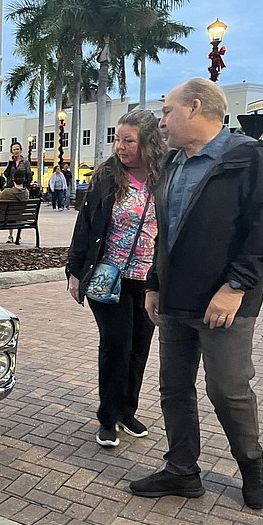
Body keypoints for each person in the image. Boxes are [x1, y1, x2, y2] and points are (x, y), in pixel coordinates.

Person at [130, 78, 263, 510]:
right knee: (174, 387)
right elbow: (166, 233)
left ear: (195, 108)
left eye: (167, 112)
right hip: (175, 299)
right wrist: (154, 285)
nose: (161, 123)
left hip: (225, 302)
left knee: (228, 389)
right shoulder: (175, 162)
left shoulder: (249, 156)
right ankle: (181, 471)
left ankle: (251, 465)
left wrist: (235, 287)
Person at [66, 109, 164, 448]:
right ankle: (107, 417)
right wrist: (74, 272)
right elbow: (85, 225)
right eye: (118, 139)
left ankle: (127, 410)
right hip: (108, 277)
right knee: (117, 343)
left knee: (139, 347)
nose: (120, 146)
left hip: (149, 280)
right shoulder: (107, 175)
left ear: (148, 142)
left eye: (129, 140)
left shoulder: (165, 176)